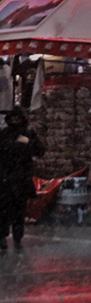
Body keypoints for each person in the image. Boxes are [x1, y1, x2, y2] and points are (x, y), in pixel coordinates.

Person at [0, 107, 45, 252]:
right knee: (4, 211)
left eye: (17, 118)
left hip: (20, 180)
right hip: (5, 180)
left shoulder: (27, 134)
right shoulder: (4, 134)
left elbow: (39, 150)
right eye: (12, 118)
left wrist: (26, 142)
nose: (15, 121)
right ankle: (3, 237)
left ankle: (17, 237)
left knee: (19, 211)